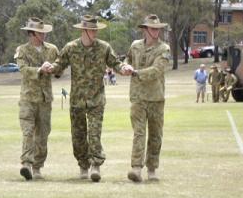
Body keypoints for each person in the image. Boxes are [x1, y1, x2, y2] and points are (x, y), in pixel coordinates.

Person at [52, 15, 123, 182]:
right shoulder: (71, 47)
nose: (95, 32)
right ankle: (83, 164)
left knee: (94, 133)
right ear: (84, 30)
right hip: (77, 99)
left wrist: (124, 67)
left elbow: (115, 63)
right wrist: (51, 68)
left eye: (96, 29)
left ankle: (95, 165)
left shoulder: (104, 47)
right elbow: (59, 65)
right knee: (78, 135)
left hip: (96, 99)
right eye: (92, 29)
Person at [120, 15, 171, 183]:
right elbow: (127, 59)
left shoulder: (164, 48)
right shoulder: (135, 46)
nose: (156, 31)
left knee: (156, 135)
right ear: (145, 29)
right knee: (139, 133)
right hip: (137, 97)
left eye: (158, 28)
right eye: (153, 28)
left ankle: (152, 168)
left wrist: (134, 72)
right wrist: (125, 66)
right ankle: (136, 168)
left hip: (156, 97)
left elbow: (157, 70)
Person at [13, 18, 59, 181]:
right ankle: (26, 163)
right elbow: (23, 69)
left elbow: (60, 67)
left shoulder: (52, 50)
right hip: (28, 99)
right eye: (40, 32)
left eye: (44, 31)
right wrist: (40, 69)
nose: (44, 35)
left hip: (45, 99)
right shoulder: (22, 50)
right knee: (28, 132)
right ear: (31, 33)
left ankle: (38, 166)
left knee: (43, 134)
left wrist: (53, 68)